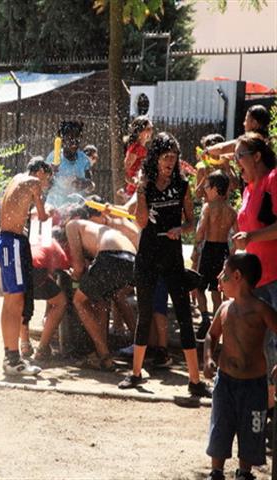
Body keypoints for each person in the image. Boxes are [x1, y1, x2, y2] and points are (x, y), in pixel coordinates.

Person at [118, 132, 211, 397]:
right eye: (165, 156)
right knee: (144, 314)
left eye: (173, 157)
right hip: (147, 255)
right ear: (156, 158)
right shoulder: (145, 186)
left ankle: (194, 380)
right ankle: (135, 374)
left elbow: (191, 222)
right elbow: (142, 222)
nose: (170, 161)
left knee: (182, 313)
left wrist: (180, 229)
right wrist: (141, 193)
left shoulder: (182, 186)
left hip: (171, 257)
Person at [203, 253, 277, 480]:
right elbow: (211, 335)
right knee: (221, 425)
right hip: (225, 382)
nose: (218, 278)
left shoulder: (261, 310)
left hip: (254, 386)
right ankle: (216, 471)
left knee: (251, 430)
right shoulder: (224, 308)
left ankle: (244, 473)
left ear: (237, 276)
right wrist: (208, 357)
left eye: (223, 274)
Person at [231, 133, 277, 435]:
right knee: (257, 349)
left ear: (257, 156)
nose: (237, 164)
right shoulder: (248, 188)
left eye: (240, 156)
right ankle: (261, 413)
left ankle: (270, 417)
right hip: (253, 283)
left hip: (274, 281)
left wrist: (252, 238)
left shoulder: (273, 179)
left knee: (272, 349)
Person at [0, 158, 53, 376]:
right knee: (16, 301)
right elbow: (43, 215)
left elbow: (17, 211)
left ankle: (10, 356)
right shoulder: (33, 183)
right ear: (40, 172)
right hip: (14, 242)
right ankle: (12, 359)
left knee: (10, 300)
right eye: (46, 178)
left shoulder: (16, 179)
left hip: (5, 241)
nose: (45, 184)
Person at [65, 207, 139, 371]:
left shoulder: (72, 224)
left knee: (78, 301)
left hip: (110, 257)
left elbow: (77, 267)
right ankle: (102, 352)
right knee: (101, 301)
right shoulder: (98, 229)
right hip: (131, 260)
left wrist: (74, 278)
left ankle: (104, 357)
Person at [192, 170, 238, 340]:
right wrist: (232, 257)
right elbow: (236, 235)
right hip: (223, 250)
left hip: (209, 249)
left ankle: (205, 318)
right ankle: (218, 323)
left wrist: (195, 253)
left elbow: (200, 232)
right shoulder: (232, 211)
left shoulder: (208, 207)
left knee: (199, 287)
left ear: (215, 188)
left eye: (206, 186)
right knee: (217, 290)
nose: (204, 189)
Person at [30, 227, 69, 363]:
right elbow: (65, 264)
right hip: (36, 271)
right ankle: (42, 349)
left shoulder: (35, 239)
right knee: (61, 302)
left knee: (21, 305)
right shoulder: (53, 241)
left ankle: (24, 345)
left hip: (20, 267)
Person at [45, 121, 94, 207]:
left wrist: (84, 184)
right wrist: (50, 174)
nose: (74, 142)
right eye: (70, 138)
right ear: (63, 140)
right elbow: (44, 186)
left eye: (77, 138)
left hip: (75, 208)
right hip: (54, 206)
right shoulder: (53, 158)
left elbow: (91, 186)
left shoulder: (84, 160)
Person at [205, 105, 270, 158]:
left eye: (246, 120)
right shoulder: (269, 142)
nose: (244, 123)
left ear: (254, 123)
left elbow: (222, 148)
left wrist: (207, 150)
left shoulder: (249, 141)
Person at [123, 116, 154, 198]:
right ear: (139, 131)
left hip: (141, 192)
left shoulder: (143, 149)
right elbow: (124, 172)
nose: (151, 132)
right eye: (148, 129)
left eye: (151, 128)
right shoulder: (135, 148)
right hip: (134, 193)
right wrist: (135, 182)